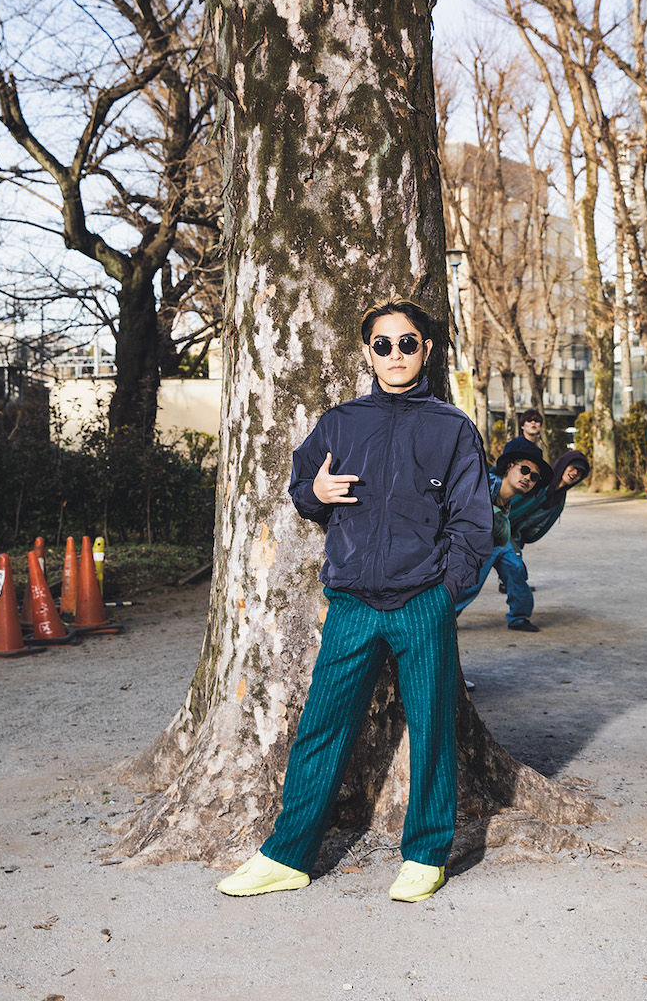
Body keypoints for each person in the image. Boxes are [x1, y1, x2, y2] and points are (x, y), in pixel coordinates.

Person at [217, 299, 493, 903]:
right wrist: (314, 491)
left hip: (422, 600)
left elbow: (474, 525)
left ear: (426, 350)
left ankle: (425, 855)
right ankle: (286, 855)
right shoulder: (341, 422)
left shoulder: (453, 428)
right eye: (383, 345)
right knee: (321, 726)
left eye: (407, 343)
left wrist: (443, 594)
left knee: (432, 728)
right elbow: (302, 486)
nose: (395, 354)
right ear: (368, 352)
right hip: (351, 603)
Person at [456, 448, 590, 631]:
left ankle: (519, 617)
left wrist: (520, 538)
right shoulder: (497, 484)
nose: (575, 473)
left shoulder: (556, 496)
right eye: (573, 467)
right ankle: (444, 617)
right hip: (483, 533)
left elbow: (540, 524)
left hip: (506, 534)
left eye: (580, 472)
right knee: (473, 579)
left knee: (516, 570)